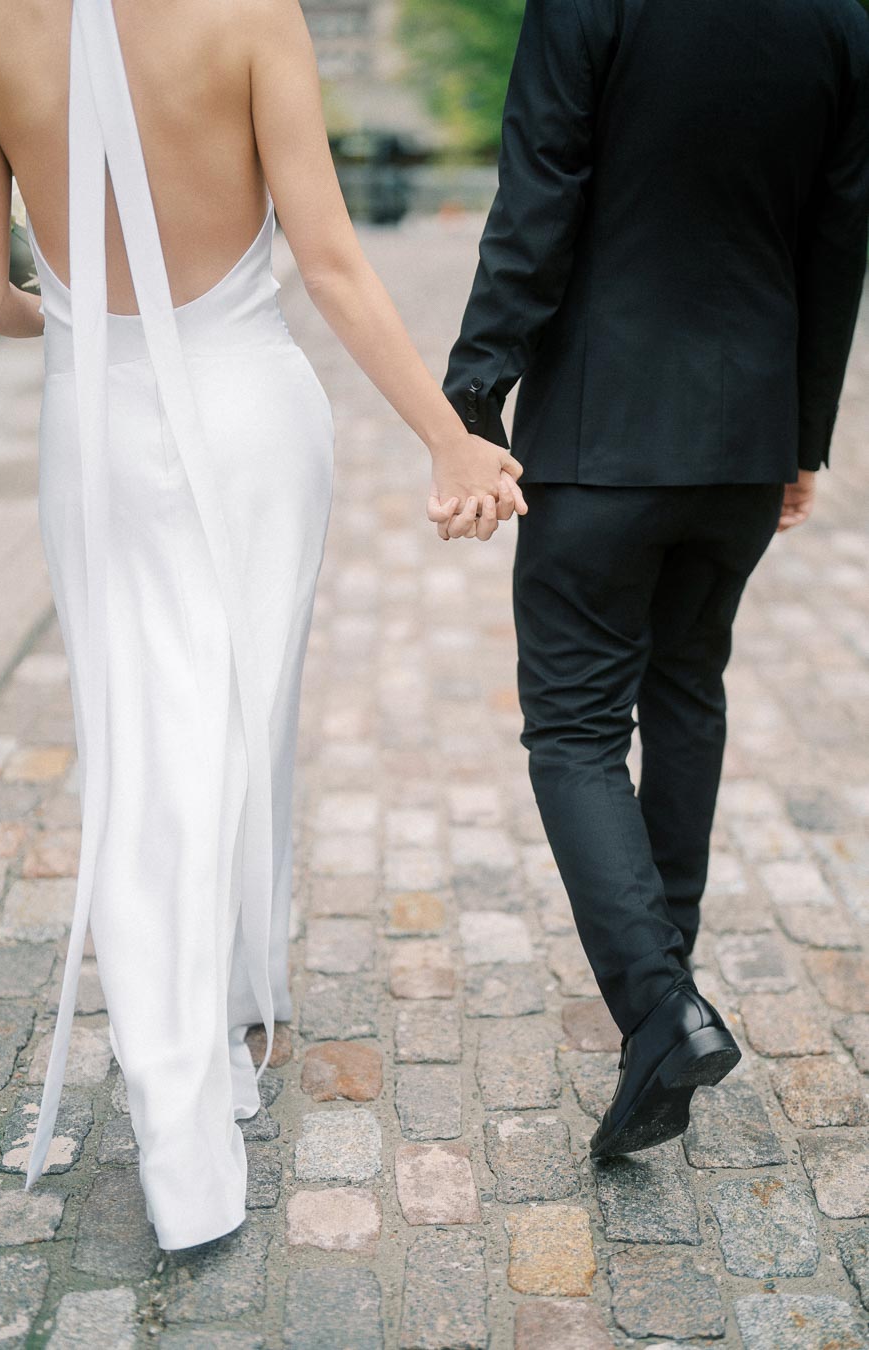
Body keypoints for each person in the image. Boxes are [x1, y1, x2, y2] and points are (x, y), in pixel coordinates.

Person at [0, 0, 526, 1250]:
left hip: (89, 432)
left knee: (139, 745)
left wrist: (75, 325)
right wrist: (449, 439)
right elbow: (325, 258)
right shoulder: (248, 15)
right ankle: (214, 1043)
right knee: (232, 725)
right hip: (248, 423)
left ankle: (186, 1106)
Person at [435, 0, 869, 1157]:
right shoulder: (840, 16)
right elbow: (841, 230)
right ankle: (662, 1014)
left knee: (574, 728)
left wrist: (473, 394)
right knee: (684, 694)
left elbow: (538, 196)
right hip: (742, 437)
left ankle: (661, 1011)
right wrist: (802, 433)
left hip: (600, 436)